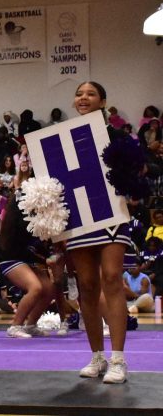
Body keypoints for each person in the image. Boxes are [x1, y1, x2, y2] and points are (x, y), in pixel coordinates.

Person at [66, 81, 131, 384]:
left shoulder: (117, 136)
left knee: (112, 278)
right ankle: (97, 357)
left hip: (112, 214)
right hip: (79, 217)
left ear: (103, 102)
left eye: (91, 94)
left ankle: (118, 359)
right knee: (88, 286)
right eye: (80, 94)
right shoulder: (62, 138)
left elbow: (135, 173)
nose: (84, 98)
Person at [0, 196, 55, 339]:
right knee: (35, 287)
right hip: (10, 259)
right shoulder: (20, 223)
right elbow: (27, 248)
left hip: (25, 259)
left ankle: (31, 325)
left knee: (49, 289)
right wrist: (44, 258)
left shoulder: (36, 220)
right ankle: (15, 326)